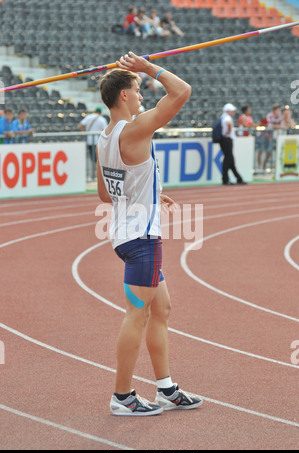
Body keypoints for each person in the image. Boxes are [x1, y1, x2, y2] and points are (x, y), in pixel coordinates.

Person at [96, 51, 203, 416]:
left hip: (126, 235)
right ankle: (122, 397)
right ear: (123, 95)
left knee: (162, 310)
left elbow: (104, 192)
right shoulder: (135, 127)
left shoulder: (105, 136)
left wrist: (149, 189)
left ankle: (166, 389)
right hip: (142, 240)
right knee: (137, 314)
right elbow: (181, 92)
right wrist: (148, 67)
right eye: (138, 89)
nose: (142, 95)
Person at [219, 103, 246, 185]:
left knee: (229, 160)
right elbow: (229, 124)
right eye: (232, 111)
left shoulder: (223, 117)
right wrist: (229, 131)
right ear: (227, 111)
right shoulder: (227, 117)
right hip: (227, 139)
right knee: (228, 160)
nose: (233, 112)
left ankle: (237, 178)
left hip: (225, 139)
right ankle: (226, 179)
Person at [78, 107, 107, 180]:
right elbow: (105, 130)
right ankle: (97, 174)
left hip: (89, 141)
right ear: (100, 112)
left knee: (93, 158)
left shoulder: (88, 117)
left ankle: (95, 173)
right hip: (98, 141)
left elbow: (80, 126)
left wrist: (83, 134)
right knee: (98, 158)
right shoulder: (102, 119)